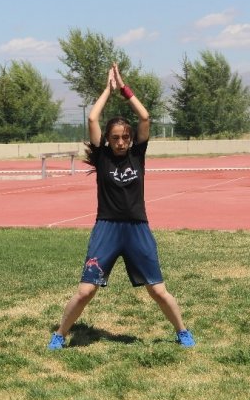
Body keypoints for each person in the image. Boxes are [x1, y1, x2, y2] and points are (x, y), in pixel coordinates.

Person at [47, 64, 195, 350]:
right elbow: (92, 117)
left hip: (137, 228)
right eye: (115, 137)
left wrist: (124, 89)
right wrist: (107, 89)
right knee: (86, 290)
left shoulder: (138, 154)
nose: (120, 141)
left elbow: (145, 116)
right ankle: (60, 334)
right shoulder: (102, 158)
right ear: (108, 139)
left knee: (157, 289)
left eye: (125, 137)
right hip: (107, 229)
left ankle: (182, 331)